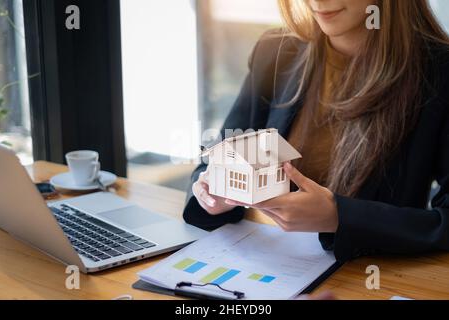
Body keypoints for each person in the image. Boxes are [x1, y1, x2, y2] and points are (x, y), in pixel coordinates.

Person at [183, 0, 449, 262]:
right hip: (269, 263)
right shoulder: (275, 52)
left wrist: (339, 216)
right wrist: (211, 193)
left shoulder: (439, 72)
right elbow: (216, 158)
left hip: (371, 275)